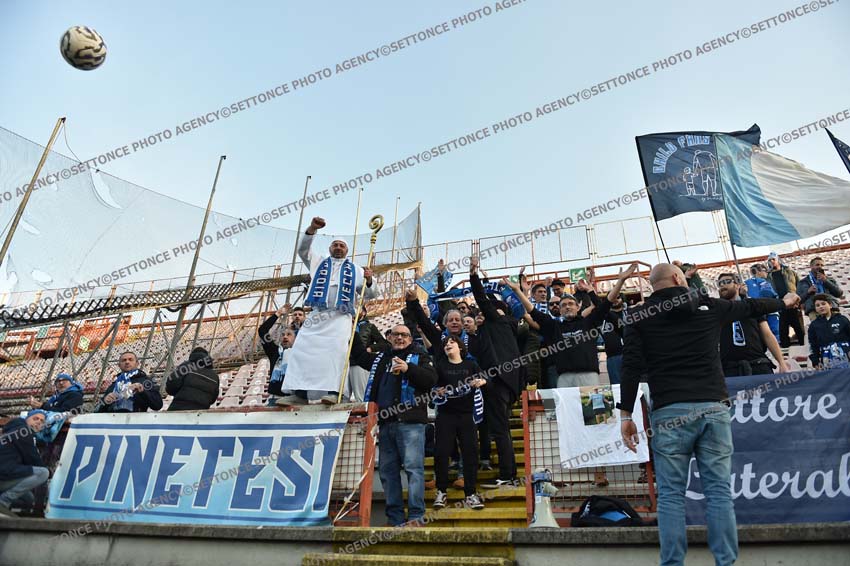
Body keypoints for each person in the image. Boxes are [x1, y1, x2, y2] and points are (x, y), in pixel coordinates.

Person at [619, 263, 799, 566]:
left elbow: (631, 366)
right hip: (712, 406)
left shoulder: (637, 315)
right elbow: (753, 306)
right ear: (678, 278)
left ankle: (672, 563)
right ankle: (725, 562)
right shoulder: (710, 305)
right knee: (718, 492)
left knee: (671, 495)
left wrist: (626, 415)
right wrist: (784, 301)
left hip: (669, 411)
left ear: (653, 286)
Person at [279, 216, 377, 406]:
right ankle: (299, 393)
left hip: (340, 317)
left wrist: (370, 280)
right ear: (330, 248)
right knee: (302, 350)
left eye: (342, 245)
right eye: (335, 245)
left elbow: (370, 293)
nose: (338, 248)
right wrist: (312, 229)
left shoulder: (357, 269)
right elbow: (302, 251)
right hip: (317, 315)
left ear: (347, 250)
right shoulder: (318, 262)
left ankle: (335, 392)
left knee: (337, 353)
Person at [349, 324, 437, 527]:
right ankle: (395, 518)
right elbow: (360, 357)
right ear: (388, 337)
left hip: (411, 423)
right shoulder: (381, 358)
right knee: (388, 473)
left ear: (410, 339)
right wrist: (351, 329)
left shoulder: (420, 356)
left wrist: (408, 369)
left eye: (404, 335)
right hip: (386, 423)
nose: (400, 338)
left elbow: (431, 379)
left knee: (414, 470)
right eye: (396, 334)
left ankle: (416, 516)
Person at [505, 264, 636, 388]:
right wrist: (517, 290)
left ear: (578, 307)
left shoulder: (589, 322)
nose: (567, 307)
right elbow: (532, 311)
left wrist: (621, 281)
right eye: (563, 305)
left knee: (592, 405)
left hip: (589, 376)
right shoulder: (554, 326)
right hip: (564, 377)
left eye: (571, 304)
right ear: (560, 310)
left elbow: (606, 303)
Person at [468, 257, 523, 488]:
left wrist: (473, 275)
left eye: (490, 309)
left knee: (500, 430)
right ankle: (509, 473)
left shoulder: (499, 322)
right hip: (506, 383)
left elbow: (482, 298)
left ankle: (508, 475)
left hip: (499, 382)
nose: (484, 312)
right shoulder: (499, 330)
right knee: (501, 429)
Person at [432, 335, 487, 510]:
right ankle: (441, 491)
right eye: (445, 343)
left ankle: (470, 494)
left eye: (452, 342)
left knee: (470, 453)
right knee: (441, 452)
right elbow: (431, 388)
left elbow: (485, 379)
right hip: (445, 415)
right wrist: (436, 391)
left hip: (466, 415)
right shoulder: (440, 366)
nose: (448, 345)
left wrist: (481, 381)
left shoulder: (471, 365)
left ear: (460, 347)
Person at [716, 273, 789, 377]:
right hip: (730, 369)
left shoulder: (752, 306)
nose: (722, 285)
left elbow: (767, 335)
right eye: (719, 283)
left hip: (758, 364)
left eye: (727, 281)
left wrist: (781, 362)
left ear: (737, 285)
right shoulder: (717, 311)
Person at [0, 410, 48, 517]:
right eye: (35, 418)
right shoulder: (22, 431)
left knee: (28, 499)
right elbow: (33, 459)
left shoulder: (15, 430)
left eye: (42, 421)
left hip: (5, 473)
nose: (39, 422)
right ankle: (3, 503)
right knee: (43, 473)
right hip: (3, 475)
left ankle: (5, 511)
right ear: (27, 419)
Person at [346, 305, 391, 401]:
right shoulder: (344, 325)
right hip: (342, 362)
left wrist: (371, 348)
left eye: (357, 308)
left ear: (363, 312)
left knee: (360, 394)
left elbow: (384, 344)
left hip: (358, 363)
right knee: (343, 394)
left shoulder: (369, 326)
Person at [98, 351, 162, 412]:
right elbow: (97, 410)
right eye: (124, 360)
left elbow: (157, 405)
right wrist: (105, 402)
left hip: (137, 418)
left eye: (130, 359)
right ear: (119, 365)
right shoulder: (114, 385)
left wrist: (143, 391)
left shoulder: (146, 381)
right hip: (114, 418)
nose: (127, 362)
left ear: (137, 363)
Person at [258, 304, 297, 399]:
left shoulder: (300, 353)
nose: (285, 337)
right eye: (283, 335)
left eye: (289, 334)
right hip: (275, 398)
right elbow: (262, 331)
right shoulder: (274, 351)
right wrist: (278, 314)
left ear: (296, 338)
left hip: (295, 397)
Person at [766, 251, 804, 347]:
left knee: (798, 328)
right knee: (783, 330)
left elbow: (799, 286)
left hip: (793, 304)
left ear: (778, 260)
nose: (772, 261)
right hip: (780, 305)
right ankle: (785, 349)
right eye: (770, 260)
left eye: (773, 259)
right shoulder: (768, 276)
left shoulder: (790, 272)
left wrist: (799, 301)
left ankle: (803, 346)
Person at [165, 347, 220, 411]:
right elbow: (213, 399)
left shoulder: (186, 366)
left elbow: (171, 384)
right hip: (200, 413)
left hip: (178, 409)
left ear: (192, 355)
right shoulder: (215, 377)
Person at [808, 293, 850, 369]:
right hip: (826, 358)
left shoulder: (842, 319)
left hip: (846, 355)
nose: (821, 307)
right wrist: (815, 362)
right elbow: (813, 345)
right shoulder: (813, 325)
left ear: (830, 305)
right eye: (817, 305)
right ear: (815, 309)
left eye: (823, 304)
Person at [744, 263, 780, 342]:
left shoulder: (745, 284)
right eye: (765, 271)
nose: (767, 273)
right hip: (768, 311)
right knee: (775, 334)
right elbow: (769, 294)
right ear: (758, 272)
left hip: (753, 314)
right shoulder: (763, 282)